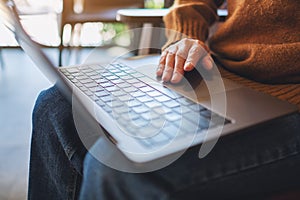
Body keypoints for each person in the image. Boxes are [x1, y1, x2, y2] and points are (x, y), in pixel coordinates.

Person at [28, 0, 300, 199]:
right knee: (56, 106)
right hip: (221, 70)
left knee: (117, 167)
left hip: (291, 96)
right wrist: (187, 38)